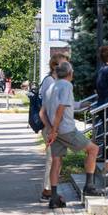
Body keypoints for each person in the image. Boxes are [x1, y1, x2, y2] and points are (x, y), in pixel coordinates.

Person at [44, 61, 101, 209]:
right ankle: (89, 186)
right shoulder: (67, 85)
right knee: (93, 149)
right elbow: (61, 108)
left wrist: (83, 104)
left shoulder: (52, 86)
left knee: (56, 162)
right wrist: (55, 129)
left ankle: (54, 197)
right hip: (66, 129)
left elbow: (45, 111)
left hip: (55, 131)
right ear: (70, 73)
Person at [38, 52, 70, 203]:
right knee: (52, 159)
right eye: (64, 63)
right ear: (55, 65)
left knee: (56, 159)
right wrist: (51, 128)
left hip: (56, 128)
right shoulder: (49, 81)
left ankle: (51, 189)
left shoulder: (56, 81)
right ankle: (47, 191)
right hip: (50, 127)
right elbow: (46, 108)